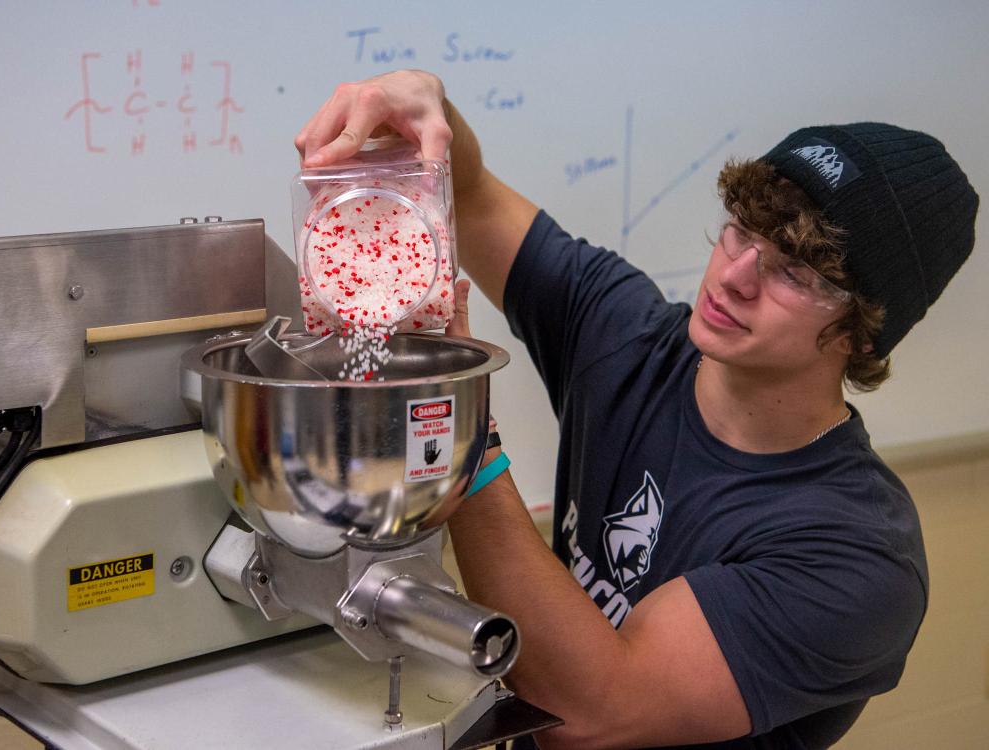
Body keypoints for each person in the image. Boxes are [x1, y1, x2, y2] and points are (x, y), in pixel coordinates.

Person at [296, 71, 979, 749]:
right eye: (742, 231)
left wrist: (463, 441)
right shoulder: (629, 335)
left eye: (794, 273)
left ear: (862, 333)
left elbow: (591, 714)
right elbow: (469, 192)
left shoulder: (857, 560)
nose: (735, 276)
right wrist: (425, 110)